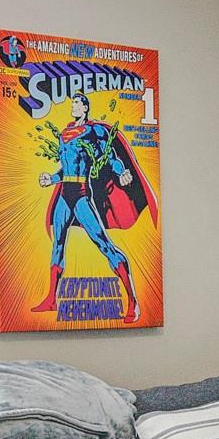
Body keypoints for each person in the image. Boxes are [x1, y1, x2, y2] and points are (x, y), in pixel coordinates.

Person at [31, 92, 153, 322]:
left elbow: (109, 156)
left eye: (78, 103)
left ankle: (132, 302)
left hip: (80, 195)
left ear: (86, 107)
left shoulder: (94, 131)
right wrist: (52, 179)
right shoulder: (65, 133)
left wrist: (122, 171)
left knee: (104, 244)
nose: (74, 106)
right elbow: (65, 167)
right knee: (57, 244)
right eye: (73, 103)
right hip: (64, 195)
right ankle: (51, 299)